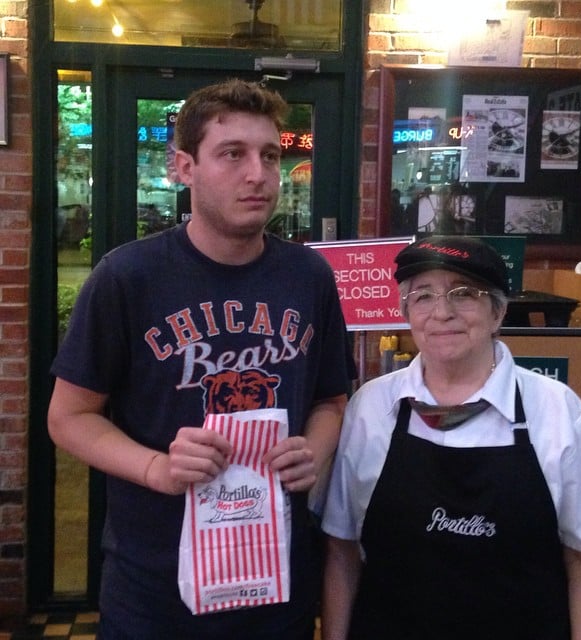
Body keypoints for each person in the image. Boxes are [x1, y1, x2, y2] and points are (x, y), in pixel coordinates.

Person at [48, 78, 356, 640]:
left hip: (276, 583)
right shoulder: (127, 277)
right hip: (155, 590)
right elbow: (68, 417)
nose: (259, 174)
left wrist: (313, 447)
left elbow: (331, 399)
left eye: (270, 155)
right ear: (184, 167)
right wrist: (156, 468)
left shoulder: (309, 277)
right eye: (232, 154)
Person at [321, 235, 581, 640]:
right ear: (406, 312)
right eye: (423, 296)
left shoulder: (556, 410)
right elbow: (342, 553)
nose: (442, 312)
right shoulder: (371, 408)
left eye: (463, 294)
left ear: (498, 312)